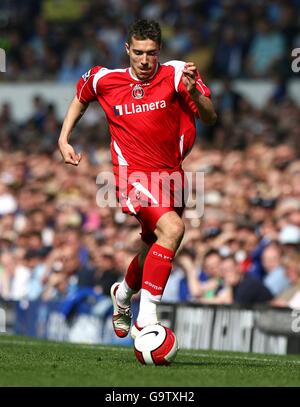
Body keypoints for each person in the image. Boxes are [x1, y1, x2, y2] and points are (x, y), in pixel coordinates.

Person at [58, 19, 217, 339]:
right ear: (127, 49)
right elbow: (80, 98)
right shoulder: (104, 79)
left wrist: (193, 94)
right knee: (173, 229)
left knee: (153, 248)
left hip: (171, 178)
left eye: (152, 54)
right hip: (131, 177)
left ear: (160, 52)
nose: (145, 61)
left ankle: (123, 293)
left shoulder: (177, 73)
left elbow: (211, 117)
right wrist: (64, 139)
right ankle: (147, 320)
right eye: (139, 53)